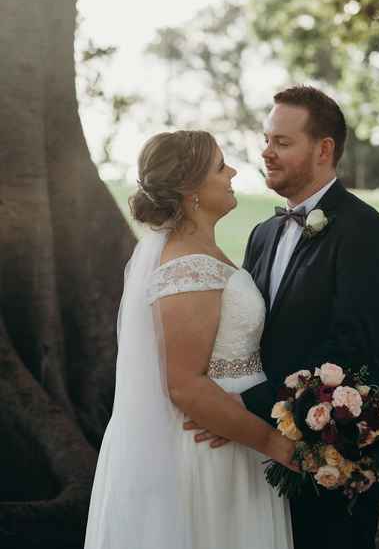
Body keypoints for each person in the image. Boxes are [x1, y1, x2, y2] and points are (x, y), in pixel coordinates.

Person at [187, 86, 379, 549]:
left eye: (282, 142)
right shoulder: (264, 234)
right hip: (266, 455)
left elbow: (349, 350)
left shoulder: (364, 231)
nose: (266, 152)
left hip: (335, 450)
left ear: (323, 150)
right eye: (267, 139)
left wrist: (243, 408)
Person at [83, 129, 295, 549]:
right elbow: (184, 382)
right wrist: (272, 441)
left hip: (237, 433)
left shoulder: (202, 254)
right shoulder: (186, 269)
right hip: (212, 449)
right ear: (189, 189)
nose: (232, 171)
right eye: (220, 166)